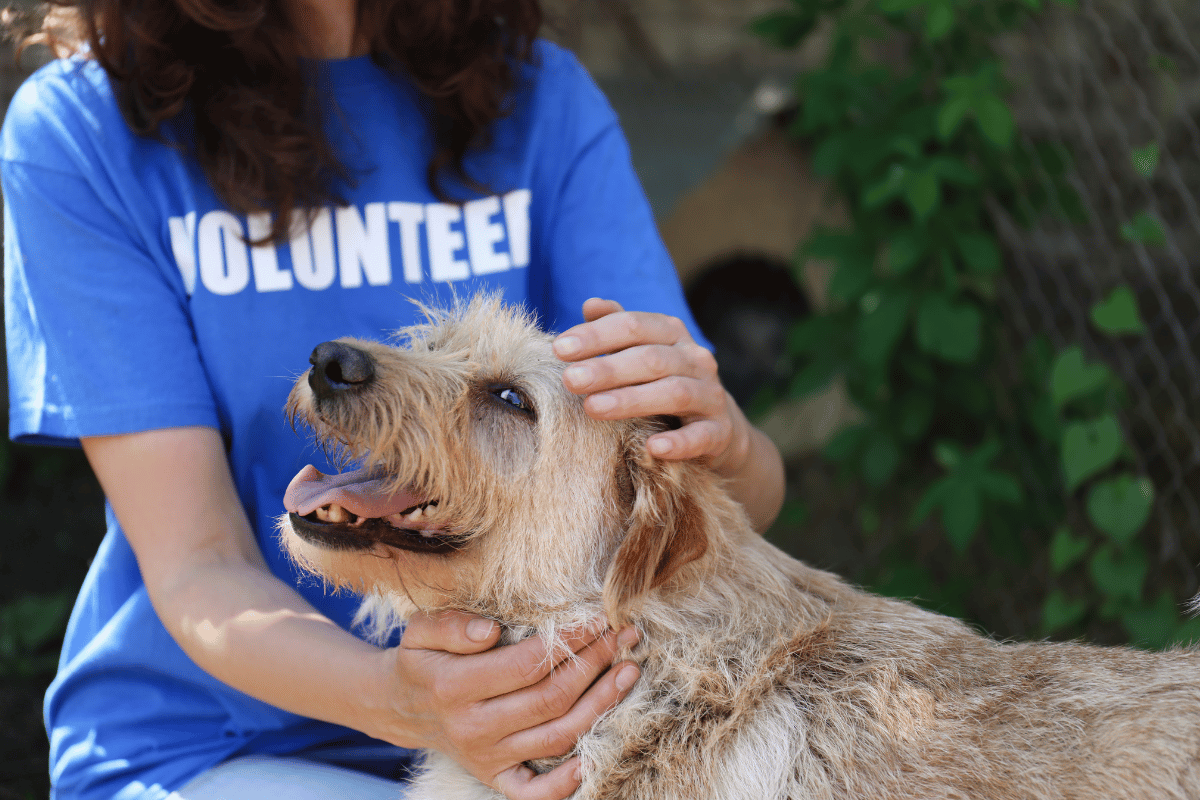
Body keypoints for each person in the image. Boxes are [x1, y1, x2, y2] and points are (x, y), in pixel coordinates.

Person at [1, 1, 786, 798]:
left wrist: (729, 442)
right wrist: (406, 705)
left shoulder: (540, 98)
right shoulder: (84, 130)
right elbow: (198, 562)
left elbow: (706, 503)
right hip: (218, 749)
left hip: (552, 738)